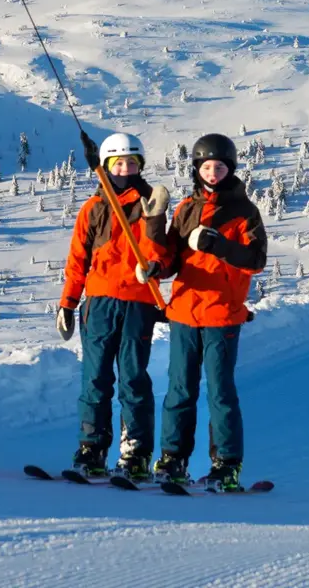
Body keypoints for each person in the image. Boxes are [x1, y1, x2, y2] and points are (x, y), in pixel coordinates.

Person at [154, 133, 266, 493]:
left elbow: (255, 260)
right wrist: (155, 265)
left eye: (219, 166)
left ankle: (226, 465)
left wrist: (220, 246)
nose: (213, 172)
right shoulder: (186, 207)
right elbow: (172, 259)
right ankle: (172, 459)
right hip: (184, 311)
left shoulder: (244, 212)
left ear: (230, 169)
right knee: (179, 390)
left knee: (220, 392)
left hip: (222, 315)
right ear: (196, 169)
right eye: (206, 166)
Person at [58, 132, 172, 481]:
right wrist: (67, 302)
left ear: (140, 166)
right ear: (106, 167)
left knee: (133, 379)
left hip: (138, 302)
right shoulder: (93, 209)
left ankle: (135, 452)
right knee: (95, 380)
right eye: (118, 163)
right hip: (100, 303)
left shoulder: (151, 203)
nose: (125, 169)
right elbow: (78, 259)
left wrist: (153, 261)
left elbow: (163, 254)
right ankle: (91, 448)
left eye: (132, 163)